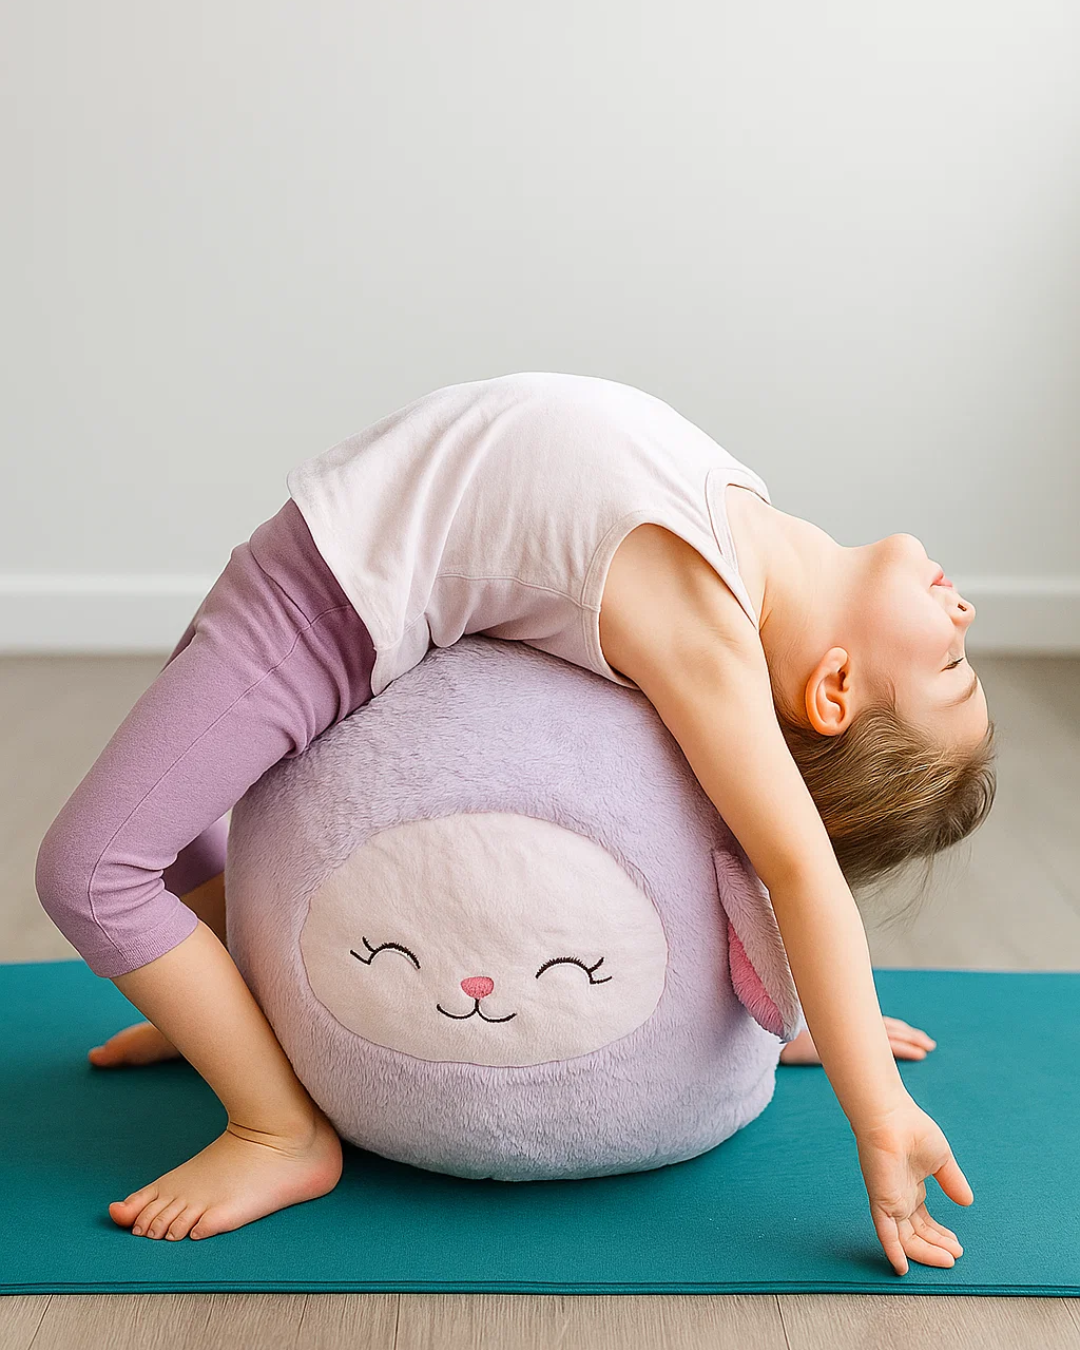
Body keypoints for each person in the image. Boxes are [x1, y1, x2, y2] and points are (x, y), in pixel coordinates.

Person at [35, 371, 995, 1271]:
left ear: (833, 691)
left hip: (318, 609)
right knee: (178, 838)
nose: (967, 612)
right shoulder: (750, 538)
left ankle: (276, 1128)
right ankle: (231, 1009)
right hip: (314, 559)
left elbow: (794, 863)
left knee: (94, 872)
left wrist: (877, 1106)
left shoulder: (710, 632)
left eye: (952, 668)